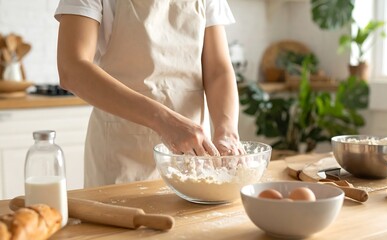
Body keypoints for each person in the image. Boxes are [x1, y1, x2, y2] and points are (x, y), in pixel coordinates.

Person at [54, 0, 244, 188]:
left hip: (195, 156)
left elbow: (218, 70)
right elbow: (72, 68)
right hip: (121, 158)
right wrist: (164, 120)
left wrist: (227, 131)